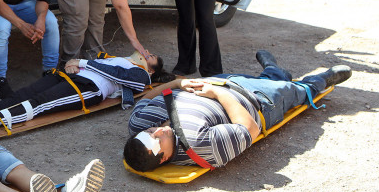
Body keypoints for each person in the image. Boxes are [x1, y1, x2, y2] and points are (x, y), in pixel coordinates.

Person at [123, 50, 353, 171]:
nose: (156, 132)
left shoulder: (140, 122)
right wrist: (218, 94)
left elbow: (148, 97)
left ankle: (273, 71)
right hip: (257, 100)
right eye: (155, 141)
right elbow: (249, 129)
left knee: (270, 79)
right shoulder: (202, 147)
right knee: (297, 90)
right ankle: (321, 79)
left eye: (148, 133)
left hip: (222, 81)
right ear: (163, 159)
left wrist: (177, 84)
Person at [0, 50, 168, 130]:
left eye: (150, 56)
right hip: (71, 76)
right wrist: (75, 63)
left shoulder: (141, 74)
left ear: (152, 69)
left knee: (39, 103)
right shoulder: (120, 58)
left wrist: (83, 63)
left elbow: (121, 77)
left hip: (89, 88)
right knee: (23, 94)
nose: (145, 52)